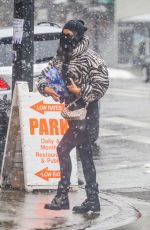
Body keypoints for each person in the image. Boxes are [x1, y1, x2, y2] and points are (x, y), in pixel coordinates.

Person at [37, 19, 109, 213]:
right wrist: (46, 87)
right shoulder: (61, 55)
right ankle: (92, 200)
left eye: (69, 35)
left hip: (87, 113)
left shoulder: (90, 58)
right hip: (73, 113)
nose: (65, 38)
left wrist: (80, 90)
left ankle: (64, 197)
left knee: (64, 149)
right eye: (64, 34)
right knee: (85, 156)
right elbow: (46, 73)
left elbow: (102, 84)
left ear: (78, 36)